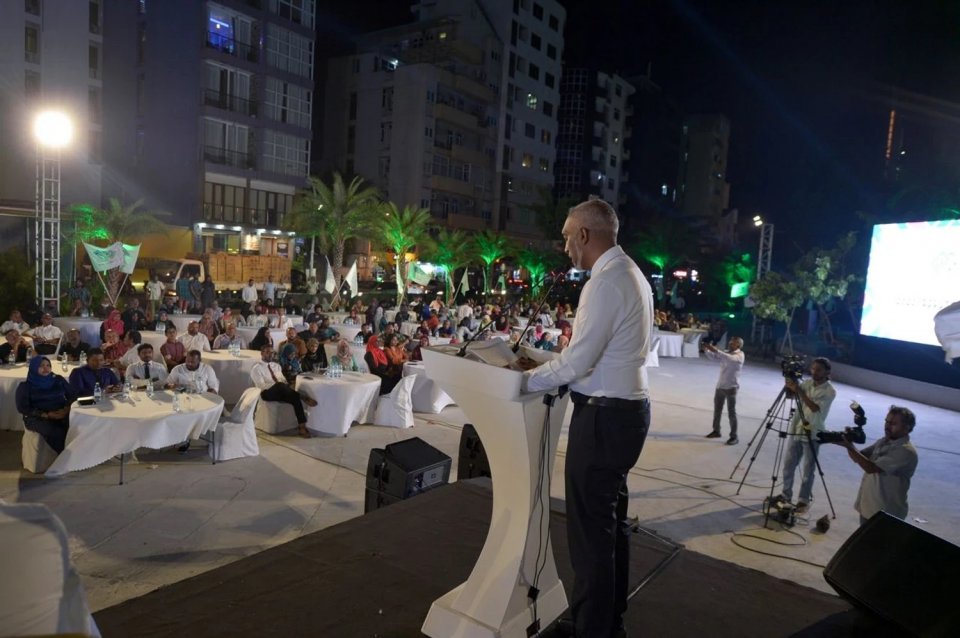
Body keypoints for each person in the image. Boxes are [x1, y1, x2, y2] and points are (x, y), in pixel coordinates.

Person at [522, 199, 653, 638]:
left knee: (590, 535)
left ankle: (591, 631)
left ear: (584, 235)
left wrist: (521, 383)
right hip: (625, 414)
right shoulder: (631, 274)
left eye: (565, 236)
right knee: (609, 527)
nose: (564, 247)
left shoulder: (605, 283)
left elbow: (578, 362)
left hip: (603, 420)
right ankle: (605, 623)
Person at [836, 406, 919, 525]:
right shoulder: (884, 441)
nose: (887, 426)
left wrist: (849, 446)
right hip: (870, 507)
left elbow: (870, 468)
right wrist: (848, 440)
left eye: (893, 423)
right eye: (887, 421)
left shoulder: (905, 451)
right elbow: (860, 457)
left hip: (886, 513)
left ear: (906, 428)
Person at [779, 357, 837, 513]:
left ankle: (803, 500)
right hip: (797, 428)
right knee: (788, 466)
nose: (814, 372)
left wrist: (799, 391)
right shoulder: (806, 384)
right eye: (813, 369)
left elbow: (814, 408)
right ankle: (785, 495)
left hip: (813, 431)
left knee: (808, 470)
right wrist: (790, 385)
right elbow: (793, 396)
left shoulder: (830, 391)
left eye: (818, 369)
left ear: (827, 372)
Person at [250, 344, 315, 438]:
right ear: (262, 353)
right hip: (266, 393)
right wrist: (277, 385)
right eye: (268, 352)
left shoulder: (276, 366)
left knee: (295, 397)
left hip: (281, 391)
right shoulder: (257, 368)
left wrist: (282, 385)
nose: (270, 355)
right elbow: (261, 386)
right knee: (281, 385)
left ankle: (302, 426)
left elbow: (283, 380)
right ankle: (302, 396)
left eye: (272, 353)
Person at [15, 356, 77, 454]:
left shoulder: (58, 379)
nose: (46, 368)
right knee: (56, 432)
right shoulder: (25, 386)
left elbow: (73, 395)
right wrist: (46, 414)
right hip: (37, 417)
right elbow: (22, 407)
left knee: (76, 425)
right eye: (41, 365)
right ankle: (65, 456)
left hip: (61, 412)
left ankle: (78, 453)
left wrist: (66, 409)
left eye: (48, 365)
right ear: (34, 368)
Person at [703, 336, 745, 445]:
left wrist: (714, 349)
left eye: (732, 343)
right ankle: (716, 431)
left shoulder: (739, 356)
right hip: (720, 386)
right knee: (717, 411)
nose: (730, 344)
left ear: (738, 345)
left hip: (731, 387)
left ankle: (734, 436)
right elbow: (714, 357)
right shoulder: (727, 353)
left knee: (732, 413)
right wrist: (706, 349)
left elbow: (727, 357)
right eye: (730, 342)